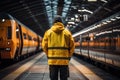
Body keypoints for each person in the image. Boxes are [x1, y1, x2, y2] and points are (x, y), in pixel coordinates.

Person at [42, 15, 75, 80]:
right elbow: (72, 46)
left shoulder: (48, 32)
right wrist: (69, 56)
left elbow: (44, 46)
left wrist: (48, 55)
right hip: (64, 61)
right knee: (64, 78)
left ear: (53, 22)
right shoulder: (67, 33)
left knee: (53, 78)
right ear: (62, 22)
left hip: (52, 60)